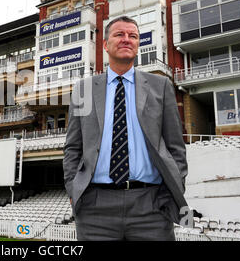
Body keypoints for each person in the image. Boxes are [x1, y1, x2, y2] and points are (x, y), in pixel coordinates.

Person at [63, 15, 188, 241]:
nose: (126, 39)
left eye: (133, 36)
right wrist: (74, 189)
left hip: (151, 205)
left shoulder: (161, 86)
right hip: (95, 207)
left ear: (138, 44)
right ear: (105, 44)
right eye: (119, 34)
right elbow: (73, 147)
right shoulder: (84, 89)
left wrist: (174, 188)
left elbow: (175, 147)